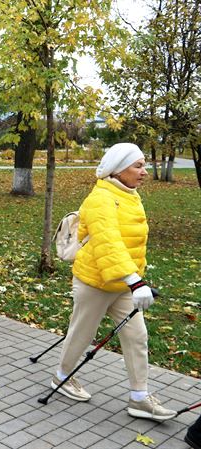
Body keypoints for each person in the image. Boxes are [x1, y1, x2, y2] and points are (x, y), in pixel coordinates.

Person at [50, 143, 176, 421]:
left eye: (144, 165)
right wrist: (135, 281)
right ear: (119, 170)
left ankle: (139, 398)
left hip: (122, 284)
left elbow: (129, 243)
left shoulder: (129, 194)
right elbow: (109, 243)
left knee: (137, 337)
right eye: (138, 166)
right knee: (82, 334)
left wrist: (133, 279)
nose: (144, 172)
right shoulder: (100, 199)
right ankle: (62, 377)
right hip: (94, 282)